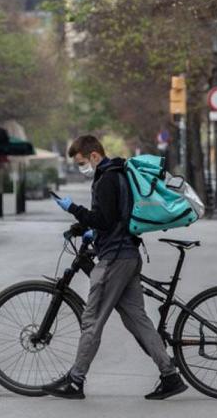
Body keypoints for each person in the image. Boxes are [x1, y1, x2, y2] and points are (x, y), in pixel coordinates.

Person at [42, 135, 187, 401]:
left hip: (115, 258)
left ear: (94, 156)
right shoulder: (116, 173)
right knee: (137, 320)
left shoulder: (106, 178)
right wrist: (87, 231)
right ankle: (170, 376)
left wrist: (73, 209)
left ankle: (75, 382)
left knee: (92, 320)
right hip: (127, 253)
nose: (81, 168)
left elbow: (104, 220)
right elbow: (113, 218)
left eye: (82, 163)